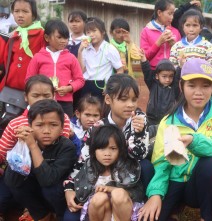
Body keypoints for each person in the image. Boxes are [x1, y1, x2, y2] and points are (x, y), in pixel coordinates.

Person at [138, 58, 212, 221]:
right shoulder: (169, 121)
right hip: (175, 180)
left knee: (210, 164)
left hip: (200, 185)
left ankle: (206, 216)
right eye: (191, 85)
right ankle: (172, 209)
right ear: (181, 86)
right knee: (153, 217)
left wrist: (193, 140)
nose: (198, 92)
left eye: (205, 86)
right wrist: (155, 194)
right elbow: (161, 162)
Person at [63, 74, 152, 220]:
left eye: (134, 99)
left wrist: (139, 133)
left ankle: (148, 200)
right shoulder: (98, 127)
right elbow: (83, 159)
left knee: (146, 165)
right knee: (69, 218)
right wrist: (69, 187)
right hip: (99, 183)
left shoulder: (139, 120)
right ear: (108, 99)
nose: (130, 104)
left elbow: (139, 155)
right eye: (123, 99)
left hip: (128, 181)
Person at [0, 75, 72, 221]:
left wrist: (33, 144)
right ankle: (39, 214)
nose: (41, 100)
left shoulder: (61, 119)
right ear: (26, 97)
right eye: (36, 95)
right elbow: (2, 152)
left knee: (51, 189)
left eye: (46, 95)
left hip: (53, 173)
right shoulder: (16, 124)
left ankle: (56, 214)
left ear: (54, 96)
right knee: (11, 182)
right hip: (27, 172)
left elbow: (50, 172)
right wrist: (20, 147)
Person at [72, 124, 144, 221]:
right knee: (99, 197)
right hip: (99, 213)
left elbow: (138, 194)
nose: (107, 154)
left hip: (123, 212)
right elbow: (81, 191)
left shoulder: (127, 166)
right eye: (102, 148)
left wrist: (111, 189)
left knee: (118, 194)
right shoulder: (89, 166)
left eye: (113, 148)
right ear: (94, 150)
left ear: (120, 150)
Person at [26, 19, 85, 117]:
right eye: (59, 37)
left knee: (65, 129)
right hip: (42, 101)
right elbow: (29, 80)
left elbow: (80, 80)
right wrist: (40, 91)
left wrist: (69, 88)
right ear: (47, 37)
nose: (63, 41)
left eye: (66, 38)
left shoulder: (71, 58)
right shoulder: (37, 57)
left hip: (65, 102)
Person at [0, 0, 45, 91]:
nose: (20, 15)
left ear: (33, 14)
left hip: (33, 88)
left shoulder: (42, 35)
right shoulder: (13, 36)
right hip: (10, 86)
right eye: (16, 11)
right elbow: (6, 60)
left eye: (25, 11)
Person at [78, 17, 123, 103]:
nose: (91, 34)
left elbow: (120, 70)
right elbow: (81, 71)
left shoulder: (110, 49)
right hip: (86, 84)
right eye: (88, 32)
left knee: (101, 112)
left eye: (94, 31)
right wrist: (80, 51)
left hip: (103, 86)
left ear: (103, 32)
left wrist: (110, 86)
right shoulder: (85, 49)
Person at [140, 0, 181, 71]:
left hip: (172, 72)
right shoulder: (146, 31)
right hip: (154, 72)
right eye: (169, 13)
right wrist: (158, 43)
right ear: (159, 13)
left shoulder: (175, 31)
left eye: (173, 14)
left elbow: (181, 56)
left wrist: (173, 46)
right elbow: (145, 56)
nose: (172, 17)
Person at [141, 55, 179, 126]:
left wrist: (180, 66)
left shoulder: (174, 87)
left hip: (168, 121)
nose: (168, 79)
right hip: (151, 120)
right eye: (164, 76)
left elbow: (177, 78)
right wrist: (144, 60)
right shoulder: (153, 85)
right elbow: (147, 72)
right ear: (157, 76)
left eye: (171, 76)